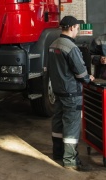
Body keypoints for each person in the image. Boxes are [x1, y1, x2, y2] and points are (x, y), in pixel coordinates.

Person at [48, 15, 94, 171]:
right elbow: (81, 74)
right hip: (71, 92)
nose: (77, 31)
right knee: (72, 126)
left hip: (58, 91)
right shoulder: (71, 47)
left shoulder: (53, 44)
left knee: (58, 121)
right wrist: (89, 78)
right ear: (72, 27)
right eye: (77, 28)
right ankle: (70, 161)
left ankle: (58, 153)